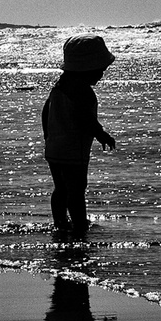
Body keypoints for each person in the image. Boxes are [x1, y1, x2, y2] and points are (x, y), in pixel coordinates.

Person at [40, 35, 117, 240]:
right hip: (73, 149)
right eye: (99, 69)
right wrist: (102, 134)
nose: (101, 74)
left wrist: (48, 137)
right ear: (86, 68)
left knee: (61, 188)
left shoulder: (58, 88)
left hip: (54, 148)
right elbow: (85, 118)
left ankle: (60, 222)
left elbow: (45, 113)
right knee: (77, 189)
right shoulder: (82, 91)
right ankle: (79, 224)